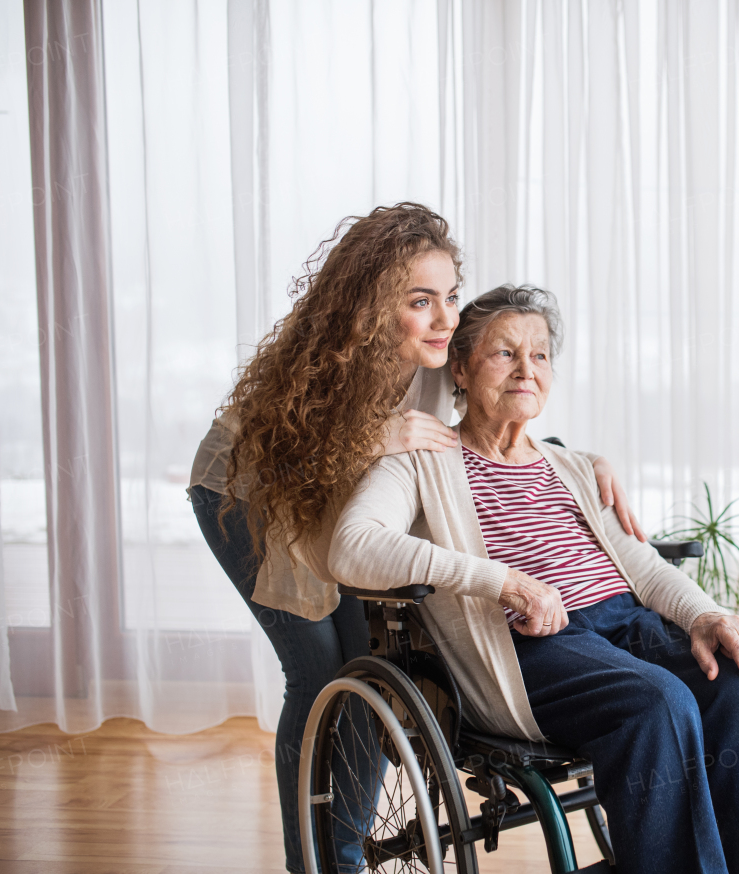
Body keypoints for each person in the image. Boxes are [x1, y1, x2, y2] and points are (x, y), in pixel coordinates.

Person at [186, 204, 642, 874]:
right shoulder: (324, 356)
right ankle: (318, 862)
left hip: (335, 509)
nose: (444, 318)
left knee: (372, 680)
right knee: (317, 677)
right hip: (250, 493)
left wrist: (580, 457)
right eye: (420, 301)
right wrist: (371, 438)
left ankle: (344, 846)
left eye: (450, 297)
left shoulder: (438, 355)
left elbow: (496, 411)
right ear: (372, 305)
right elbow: (275, 455)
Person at [329, 284, 739, 873]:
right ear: (460, 366)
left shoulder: (574, 467)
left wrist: (706, 615)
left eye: (541, 355)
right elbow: (351, 548)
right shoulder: (423, 458)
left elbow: (644, 568)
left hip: (624, 623)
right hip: (528, 647)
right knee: (658, 703)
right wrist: (503, 581)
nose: (527, 369)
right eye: (505, 353)